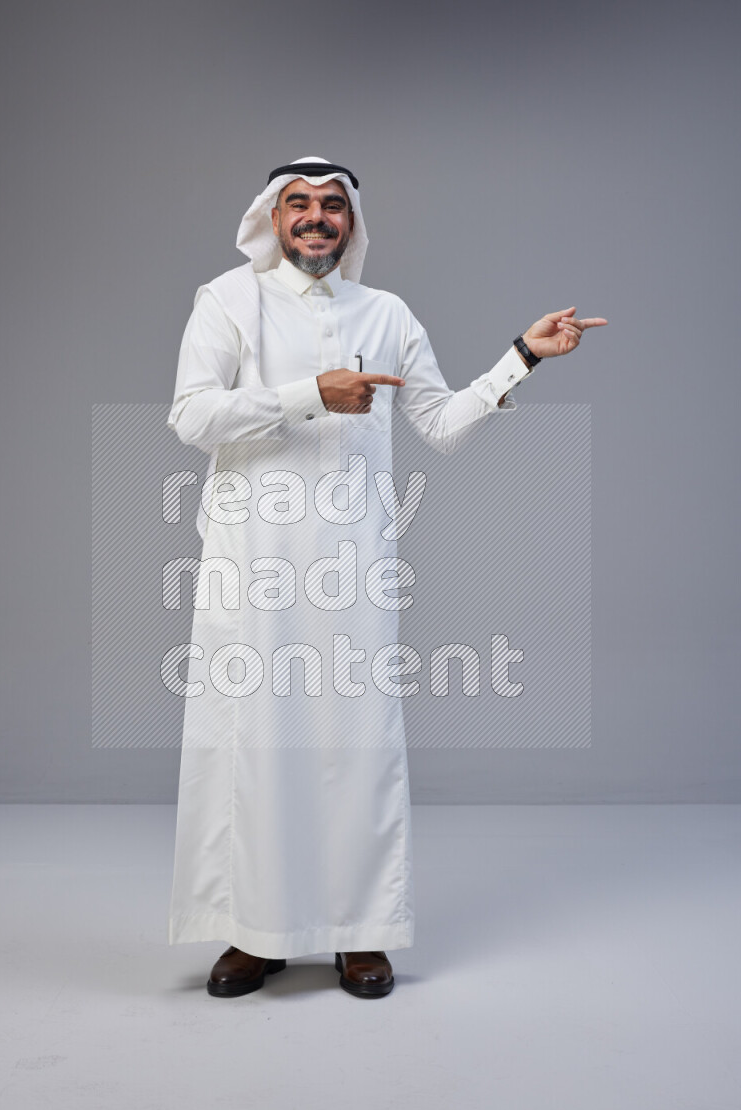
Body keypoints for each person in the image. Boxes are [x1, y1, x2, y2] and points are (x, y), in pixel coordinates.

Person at [166, 156, 606, 999]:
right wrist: (309, 394)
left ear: (352, 223)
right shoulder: (228, 301)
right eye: (298, 204)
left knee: (354, 745)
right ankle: (254, 933)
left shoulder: (387, 312)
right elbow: (191, 414)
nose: (316, 218)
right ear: (272, 216)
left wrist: (522, 357)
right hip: (251, 567)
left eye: (332, 206)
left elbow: (438, 422)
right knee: (255, 748)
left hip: (353, 569)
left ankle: (359, 933)